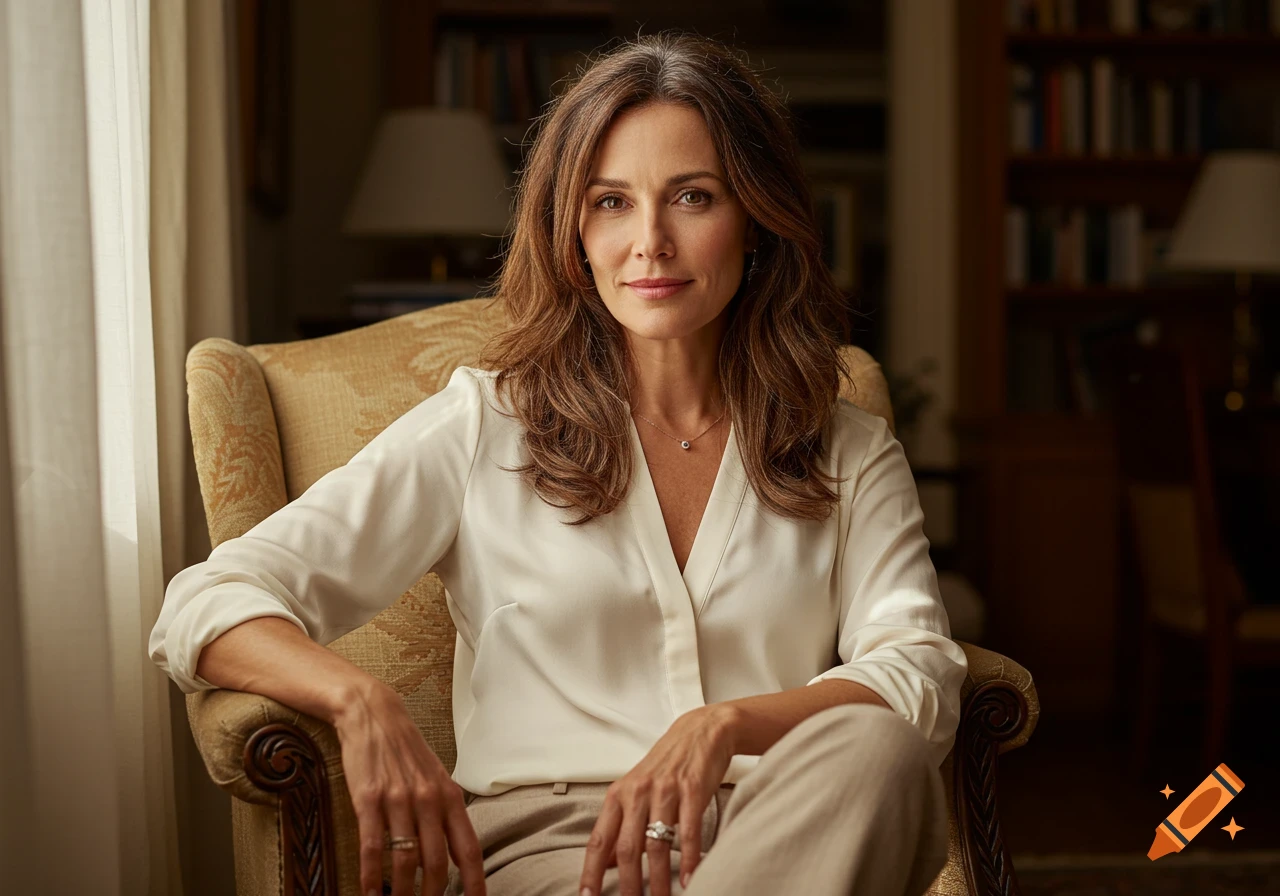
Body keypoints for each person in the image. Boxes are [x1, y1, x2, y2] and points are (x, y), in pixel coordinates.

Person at [149, 31, 967, 896]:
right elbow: (208, 601)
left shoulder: (847, 448)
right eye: (611, 202)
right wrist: (362, 702)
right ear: (573, 231)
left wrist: (725, 726)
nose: (650, 242)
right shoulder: (485, 425)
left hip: (786, 836)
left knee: (880, 748)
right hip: (558, 857)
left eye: (693, 197)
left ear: (757, 219)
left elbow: (919, 672)